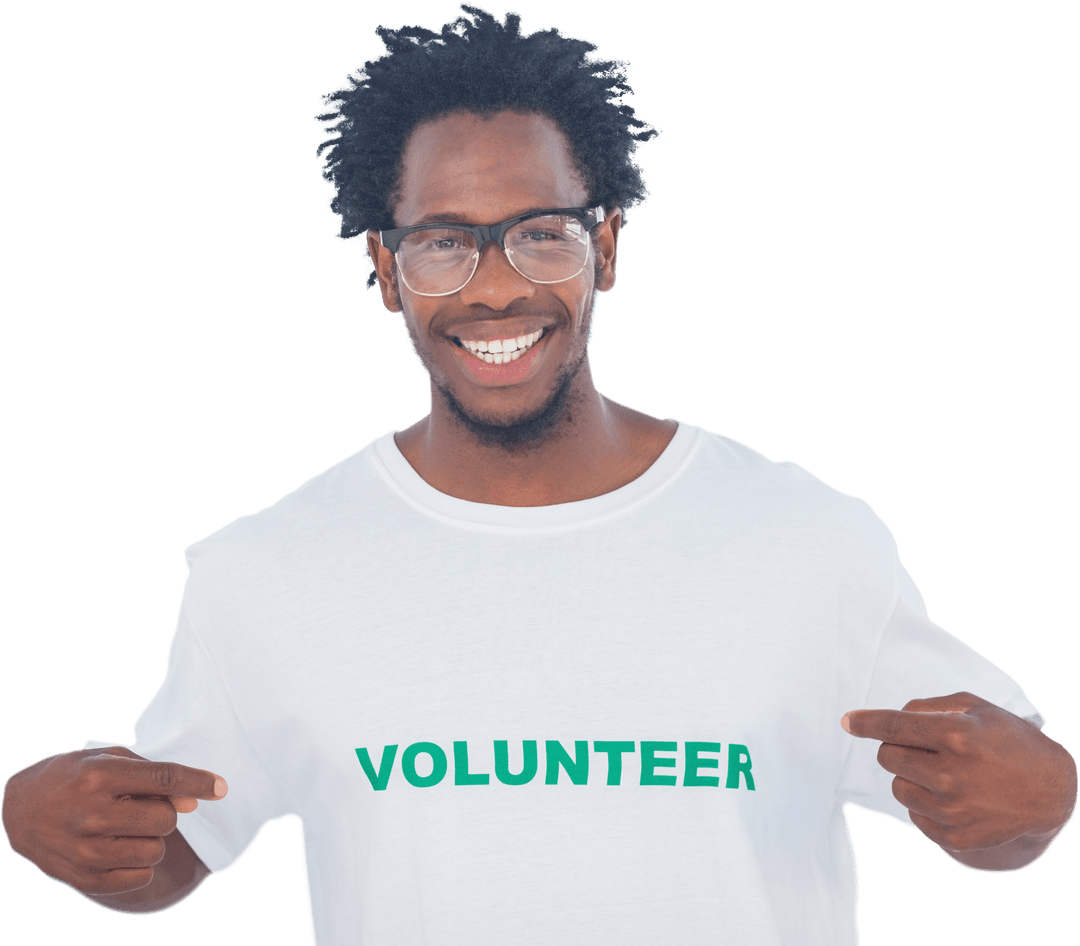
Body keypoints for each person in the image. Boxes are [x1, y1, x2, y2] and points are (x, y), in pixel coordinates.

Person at [3, 4, 1076, 944]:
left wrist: (1044, 801)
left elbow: (989, 822)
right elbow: (172, 853)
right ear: (384, 271)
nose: (497, 287)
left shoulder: (806, 537)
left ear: (606, 248)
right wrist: (51, 823)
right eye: (443, 244)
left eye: (541, 234)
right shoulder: (263, 572)